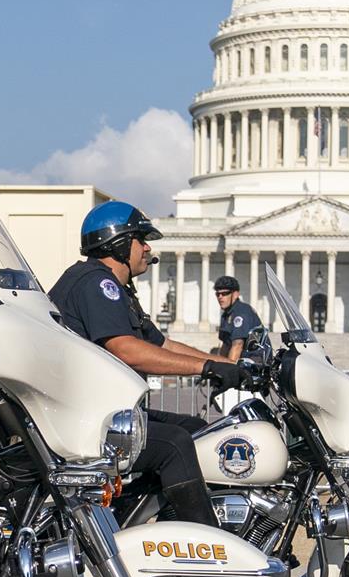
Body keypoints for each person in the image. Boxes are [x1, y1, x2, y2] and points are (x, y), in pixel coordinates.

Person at [48, 201, 248, 528]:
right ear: (118, 244)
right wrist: (205, 369)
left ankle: (160, 523)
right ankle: (208, 542)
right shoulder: (97, 284)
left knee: (201, 431)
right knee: (174, 445)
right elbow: (127, 350)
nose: (147, 248)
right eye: (141, 240)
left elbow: (162, 345)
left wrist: (225, 363)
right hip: (88, 420)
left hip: (109, 414)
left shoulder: (115, 290)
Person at [213, 275, 263, 362]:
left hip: (255, 362)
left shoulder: (241, 312)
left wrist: (227, 370)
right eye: (218, 294)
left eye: (225, 293)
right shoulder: (227, 314)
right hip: (243, 361)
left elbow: (238, 345)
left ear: (235, 294)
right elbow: (226, 345)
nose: (220, 297)